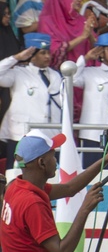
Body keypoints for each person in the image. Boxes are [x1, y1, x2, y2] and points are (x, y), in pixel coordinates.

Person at [0, 130, 107, 252]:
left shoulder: (16, 187)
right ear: (42, 163)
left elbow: (69, 189)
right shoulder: (32, 203)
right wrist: (84, 209)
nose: (56, 161)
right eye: (53, 156)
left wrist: (107, 159)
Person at [0, 35, 64, 164]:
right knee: (18, 175)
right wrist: (16, 58)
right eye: (42, 53)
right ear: (32, 56)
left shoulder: (56, 74)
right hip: (22, 134)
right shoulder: (18, 73)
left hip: (50, 135)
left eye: (48, 52)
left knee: (51, 175)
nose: (47, 56)